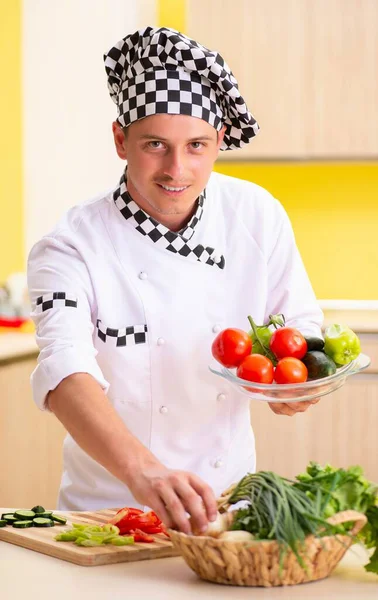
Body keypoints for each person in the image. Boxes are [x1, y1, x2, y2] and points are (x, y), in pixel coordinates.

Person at [27, 26, 323, 534]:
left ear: (220, 141)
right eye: (156, 145)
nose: (177, 169)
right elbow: (64, 369)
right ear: (120, 139)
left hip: (226, 511)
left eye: (197, 146)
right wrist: (145, 473)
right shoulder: (70, 245)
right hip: (109, 514)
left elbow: (296, 326)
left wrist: (295, 387)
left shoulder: (256, 216)